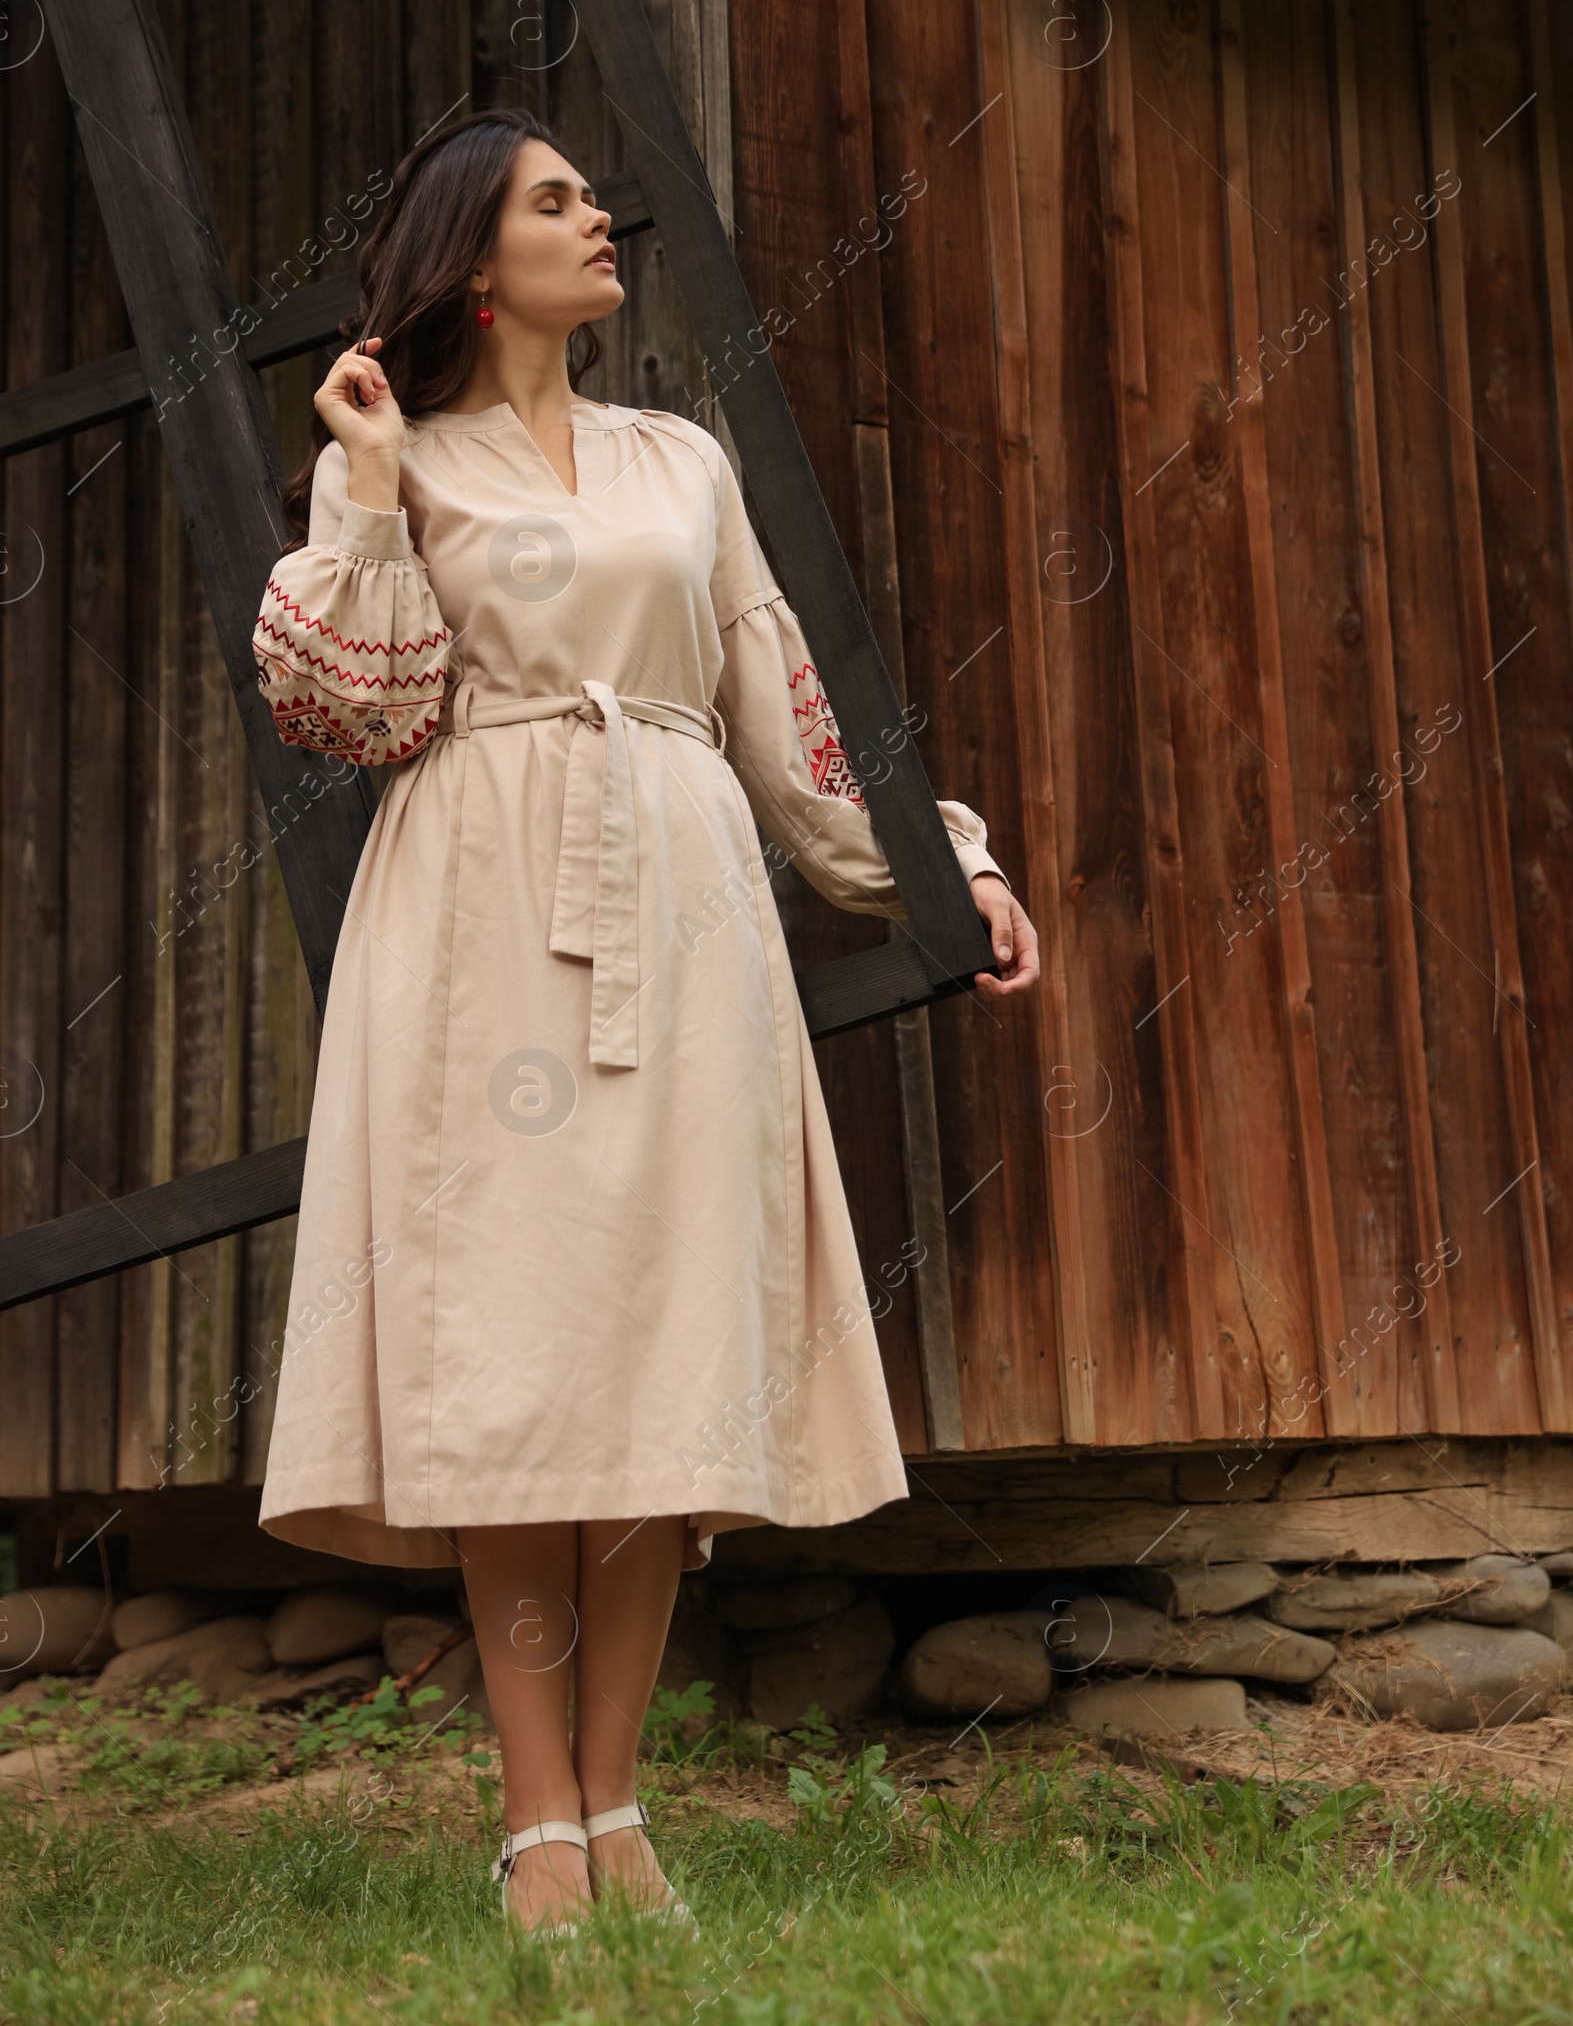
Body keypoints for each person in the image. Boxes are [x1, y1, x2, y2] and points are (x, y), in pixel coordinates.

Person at [250, 107, 1038, 1935]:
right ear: (469, 258)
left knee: (652, 1351)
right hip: (480, 917)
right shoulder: (398, 466)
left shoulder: (680, 460)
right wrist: (362, 486)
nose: (599, 216)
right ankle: (535, 1824)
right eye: (555, 200)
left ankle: (622, 1810)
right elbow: (349, 712)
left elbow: (788, 704)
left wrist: (943, 873)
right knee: (515, 1358)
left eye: (593, 194)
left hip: (682, 912)